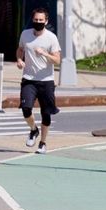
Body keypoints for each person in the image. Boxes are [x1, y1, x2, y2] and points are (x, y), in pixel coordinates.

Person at [17, 7, 61, 154]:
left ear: (46, 21)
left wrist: (45, 54)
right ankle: (33, 130)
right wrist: (19, 59)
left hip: (46, 80)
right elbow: (20, 49)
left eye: (41, 20)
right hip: (29, 79)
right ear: (33, 20)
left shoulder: (51, 38)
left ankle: (42, 143)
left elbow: (57, 60)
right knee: (26, 108)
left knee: (46, 112)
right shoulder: (25, 34)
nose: (38, 22)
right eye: (36, 20)